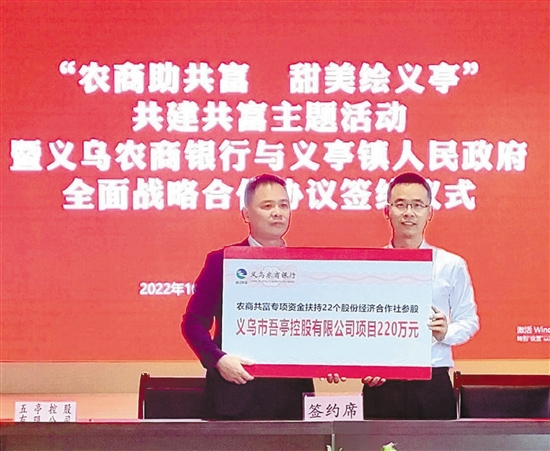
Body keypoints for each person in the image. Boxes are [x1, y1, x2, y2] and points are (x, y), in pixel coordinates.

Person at [329, 172, 479, 420]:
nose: (409, 213)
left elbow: (470, 320)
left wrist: (446, 332)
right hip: (382, 384)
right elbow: (357, 325)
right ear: (387, 211)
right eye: (400, 204)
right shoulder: (369, 267)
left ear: (430, 212)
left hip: (432, 382)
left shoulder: (451, 265)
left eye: (417, 205)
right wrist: (366, 362)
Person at [181, 174, 314, 420]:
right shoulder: (222, 262)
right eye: (267, 205)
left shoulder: (307, 266)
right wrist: (218, 360)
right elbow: (193, 323)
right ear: (246, 214)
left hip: (292, 397)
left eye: (284, 205)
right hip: (234, 394)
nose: (277, 212)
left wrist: (331, 362)